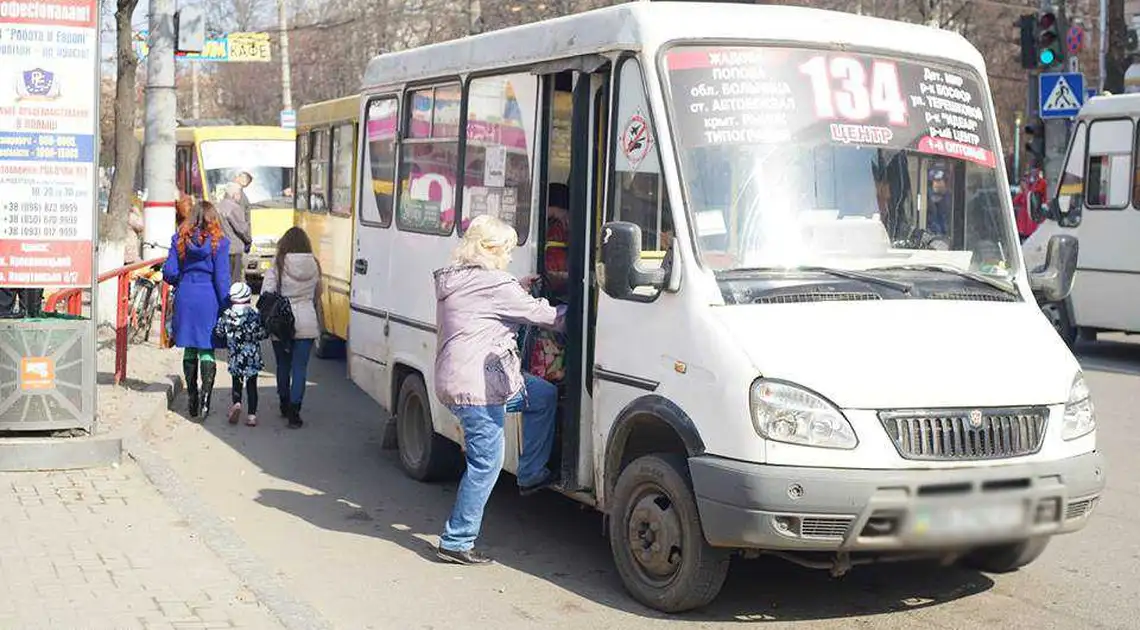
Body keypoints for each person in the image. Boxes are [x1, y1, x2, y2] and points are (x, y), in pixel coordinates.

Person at [433, 214, 566, 566]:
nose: (508, 257)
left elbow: (491, 302)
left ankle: (531, 472)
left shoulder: (461, 279)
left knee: (541, 396)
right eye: (506, 250)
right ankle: (456, 540)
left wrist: (516, 288)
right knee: (486, 464)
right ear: (489, 249)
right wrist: (584, 309)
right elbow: (548, 317)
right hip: (480, 386)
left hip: (466, 380)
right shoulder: (493, 284)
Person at [162, 201, 231, 420]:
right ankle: (205, 402)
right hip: (209, 298)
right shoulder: (220, 243)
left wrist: (181, 279)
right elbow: (221, 278)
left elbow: (170, 272)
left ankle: (191, 397)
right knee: (207, 348)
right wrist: (226, 305)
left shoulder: (179, 239)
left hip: (186, 296)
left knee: (190, 347)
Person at [262, 227, 322, 429]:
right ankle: (295, 412)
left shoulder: (278, 264)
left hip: (282, 323)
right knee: (300, 368)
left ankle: (284, 403)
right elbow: (317, 294)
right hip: (306, 321)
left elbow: (266, 294)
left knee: (282, 365)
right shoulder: (315, 264)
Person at [214, 281, 267, 427]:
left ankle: (236, 404)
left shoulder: (227, 314)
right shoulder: (254, 314)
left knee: (236, 383)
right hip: (252, 356)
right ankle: (251, 416)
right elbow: (262, 333)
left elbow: (219, 332)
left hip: (235, 356)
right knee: (252, 385)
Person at [217, 182, 252, 284]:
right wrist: (248, 241)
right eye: (239, 194)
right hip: (234, 249)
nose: (240, 197)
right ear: (234, 194)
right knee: (235, 281)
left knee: (223, 280)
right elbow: (242, 229)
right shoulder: (234, 208)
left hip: (220, 248)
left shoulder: (217, 207)